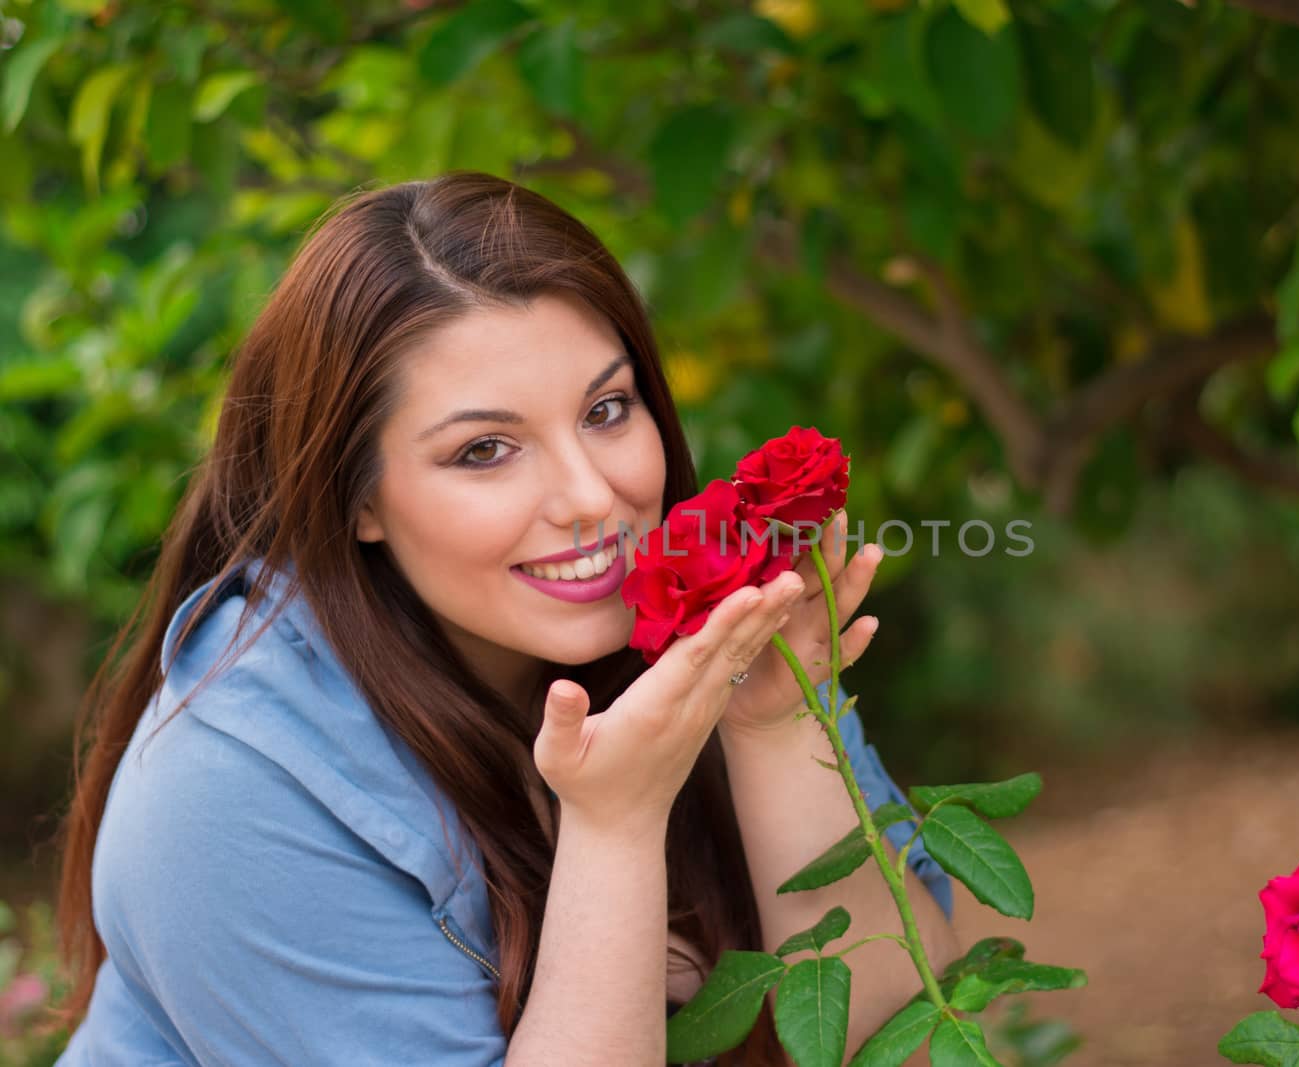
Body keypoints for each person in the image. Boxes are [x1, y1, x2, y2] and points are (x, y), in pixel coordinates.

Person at [52, 172, 958, 1066]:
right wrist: (615, 824)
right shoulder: (233, 789)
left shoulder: (685, 637)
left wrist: (772, 722)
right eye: (484, 450)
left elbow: (885, 1030)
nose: (592, 496)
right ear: (355, 497)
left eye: (607, 410)